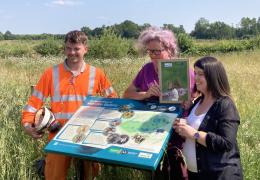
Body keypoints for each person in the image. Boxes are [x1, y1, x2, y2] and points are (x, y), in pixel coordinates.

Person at [22, 30, 117, 180]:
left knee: (89, 176)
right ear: (64, 48)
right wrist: (28, 125)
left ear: (86, 49)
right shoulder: (51, 73)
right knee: (54, 176)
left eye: (76, 48)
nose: (72, 52)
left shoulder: (97, 74)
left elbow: (113, 101)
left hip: (88, 136)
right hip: (58, 136)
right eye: (68, 48)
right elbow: (34, 103)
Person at [173, 56, 243, 180]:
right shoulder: (198, 101)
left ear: (213, 77)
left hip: (218, 175)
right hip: (197, 173)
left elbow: (226, 143)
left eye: (201, 74)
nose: (196, 78)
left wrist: (194, 134)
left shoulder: (225, 105)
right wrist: (182, 129)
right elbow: (191, 131)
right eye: (195, 73)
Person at [123, 26, 196, 102]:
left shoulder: (184, 69)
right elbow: (127, 94)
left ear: (169, 50)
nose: (152, 55)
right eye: (150, 51)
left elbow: (197, 96)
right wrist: (146, 94)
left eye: (157, 51)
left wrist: (188, 101)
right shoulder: (147, 69)